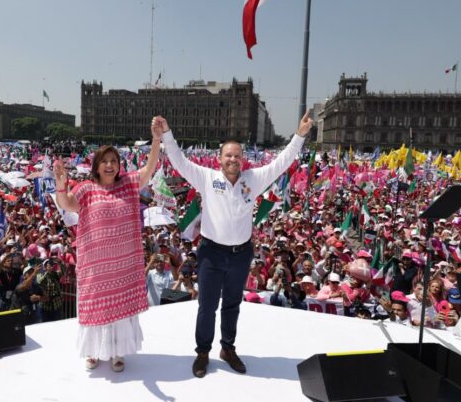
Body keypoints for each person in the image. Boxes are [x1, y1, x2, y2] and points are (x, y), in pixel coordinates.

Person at [154, 111, 313, 378]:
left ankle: (227, 348)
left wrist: (299, 135)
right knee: (207, 306)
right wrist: (167, 134)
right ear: (220, 159)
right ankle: (203, 352)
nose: (233, 159)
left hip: (240, 254)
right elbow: (179, 162)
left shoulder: (254, 179)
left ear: (243, 159)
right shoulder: (206, 177)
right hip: (211, 253)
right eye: (228, 155)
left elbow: (281, 163)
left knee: (232, 305)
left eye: (237, 156)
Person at [53, 119, 161, 372]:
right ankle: (93, 351)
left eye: (114, 161)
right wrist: (61, 184)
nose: (110, 165)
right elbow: (67, 204)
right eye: (105, 161)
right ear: (97, 165)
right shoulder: (87, 188)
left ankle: (117, 351)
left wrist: (156, 141)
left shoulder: (128, 184)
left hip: (123, 264)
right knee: (95, 307)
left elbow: (149, 168)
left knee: (121, 310)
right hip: (95, 265)